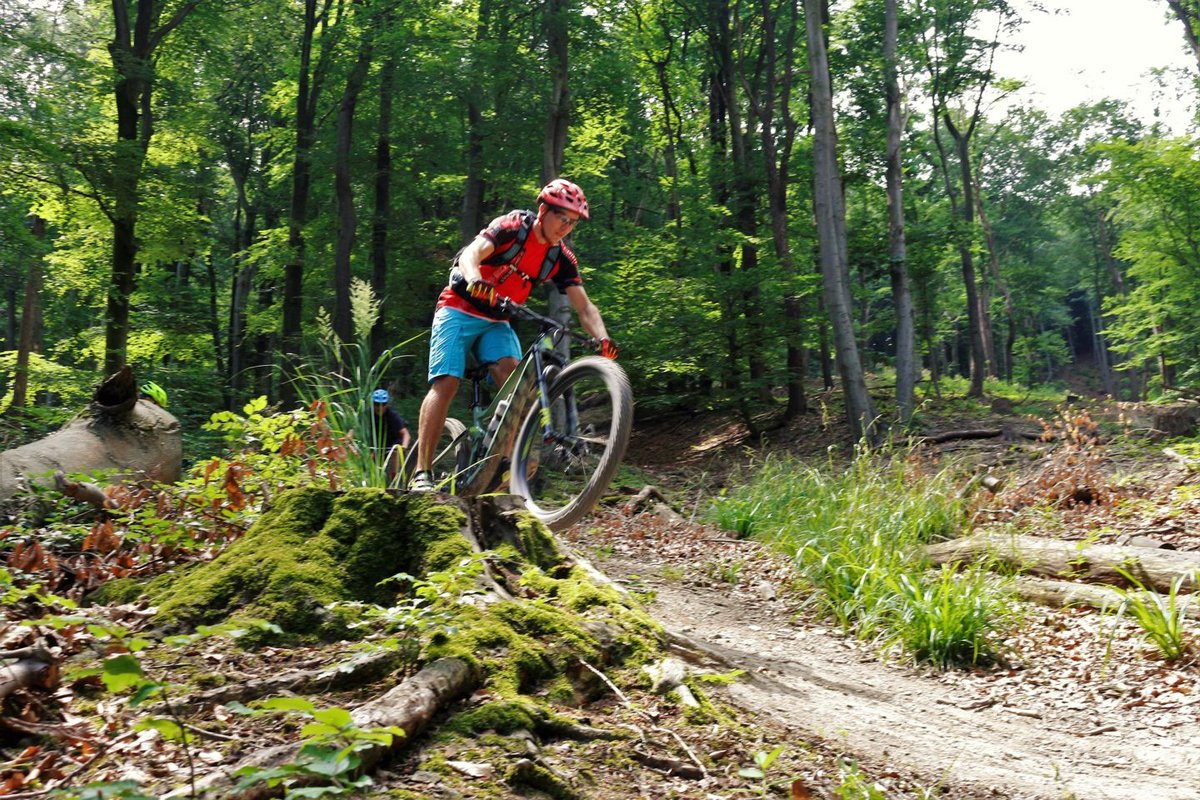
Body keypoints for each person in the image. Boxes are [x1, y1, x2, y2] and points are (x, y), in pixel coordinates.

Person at [410, 178, 618, 492]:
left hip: (497, 320)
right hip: (458, 307)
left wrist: (602, 339)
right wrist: (475, 278)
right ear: (543, 210)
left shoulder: (560, 258)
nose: (566, 227)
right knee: (447, 382)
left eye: (572, 223)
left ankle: (503, 459)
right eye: (562, 217)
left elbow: (585, 307)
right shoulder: (512, 227)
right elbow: (470, 255)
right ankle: (421, 473)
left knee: (515, 378)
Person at [371, 388, 411, 485]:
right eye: (377, 404)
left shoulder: (393, 416)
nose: (379, 408)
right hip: (374, 443)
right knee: (371, 460)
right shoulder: (368, 414)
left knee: (394, 455)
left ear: (387, 405)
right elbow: (355, 429)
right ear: (372, 404)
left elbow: (406, 434)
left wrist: (404, 446)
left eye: (383, 405)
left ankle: (395, 484)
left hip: (392, 443)